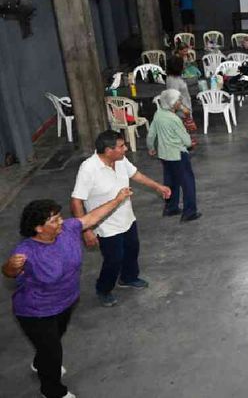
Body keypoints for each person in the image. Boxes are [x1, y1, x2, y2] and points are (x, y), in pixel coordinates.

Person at [3, 190, 133, 398]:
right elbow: (10, 273)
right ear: (39, 228)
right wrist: (11, 266)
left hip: (66, 302)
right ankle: (52, 391)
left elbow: (92, 217)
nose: (61, 222)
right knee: (53, 353)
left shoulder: (68, 230)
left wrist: (117, 199)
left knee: (52, 342)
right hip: (37, 311)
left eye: (59, 217)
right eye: (54, 220)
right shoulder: (26, 251)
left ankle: (40, 361)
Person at [70, 130, 172, 307]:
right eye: (121, 146)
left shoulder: (120, 160)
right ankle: (104, 289)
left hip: (127, 218)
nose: (125, 149)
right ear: (108, 151)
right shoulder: (89, 169)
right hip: (106, 226)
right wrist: (85, 230)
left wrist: (158, 187)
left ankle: (128, 277)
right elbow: (76, 201)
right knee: (114, 259)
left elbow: (136, 175)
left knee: (132, 249)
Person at [147, 89, 200, 224]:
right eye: (178, 100)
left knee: (170, 181)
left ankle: (171, 207)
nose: (180, 102)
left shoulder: (158, 114)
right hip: (178, 155)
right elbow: (187, 141)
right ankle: (189, 212)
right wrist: (191, 142)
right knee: (187, 183)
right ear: (172, 103)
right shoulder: (174, 119)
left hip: (164, 155)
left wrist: (151, 147)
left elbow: (151, 134)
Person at [165, 56, 198, 147]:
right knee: (182, 132)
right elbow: (174, 98)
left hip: (183, 109)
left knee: (184, 132)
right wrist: (185, 110)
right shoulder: (174, 81)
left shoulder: (171, 77)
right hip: (182, 111)